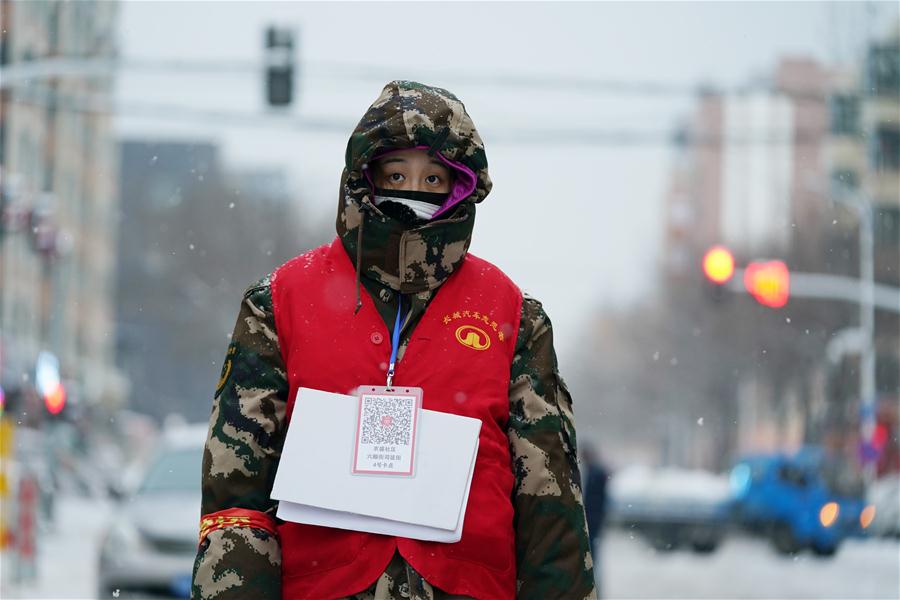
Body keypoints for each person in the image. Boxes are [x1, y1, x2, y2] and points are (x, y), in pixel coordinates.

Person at [191, 80, 596, 600]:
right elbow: (236, 497)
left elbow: (550, 504)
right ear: (365, 179)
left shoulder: (512, 316)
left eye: (433, 178)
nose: (414, 190)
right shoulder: (280, 303)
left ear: (460, 186)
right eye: (397, 174)